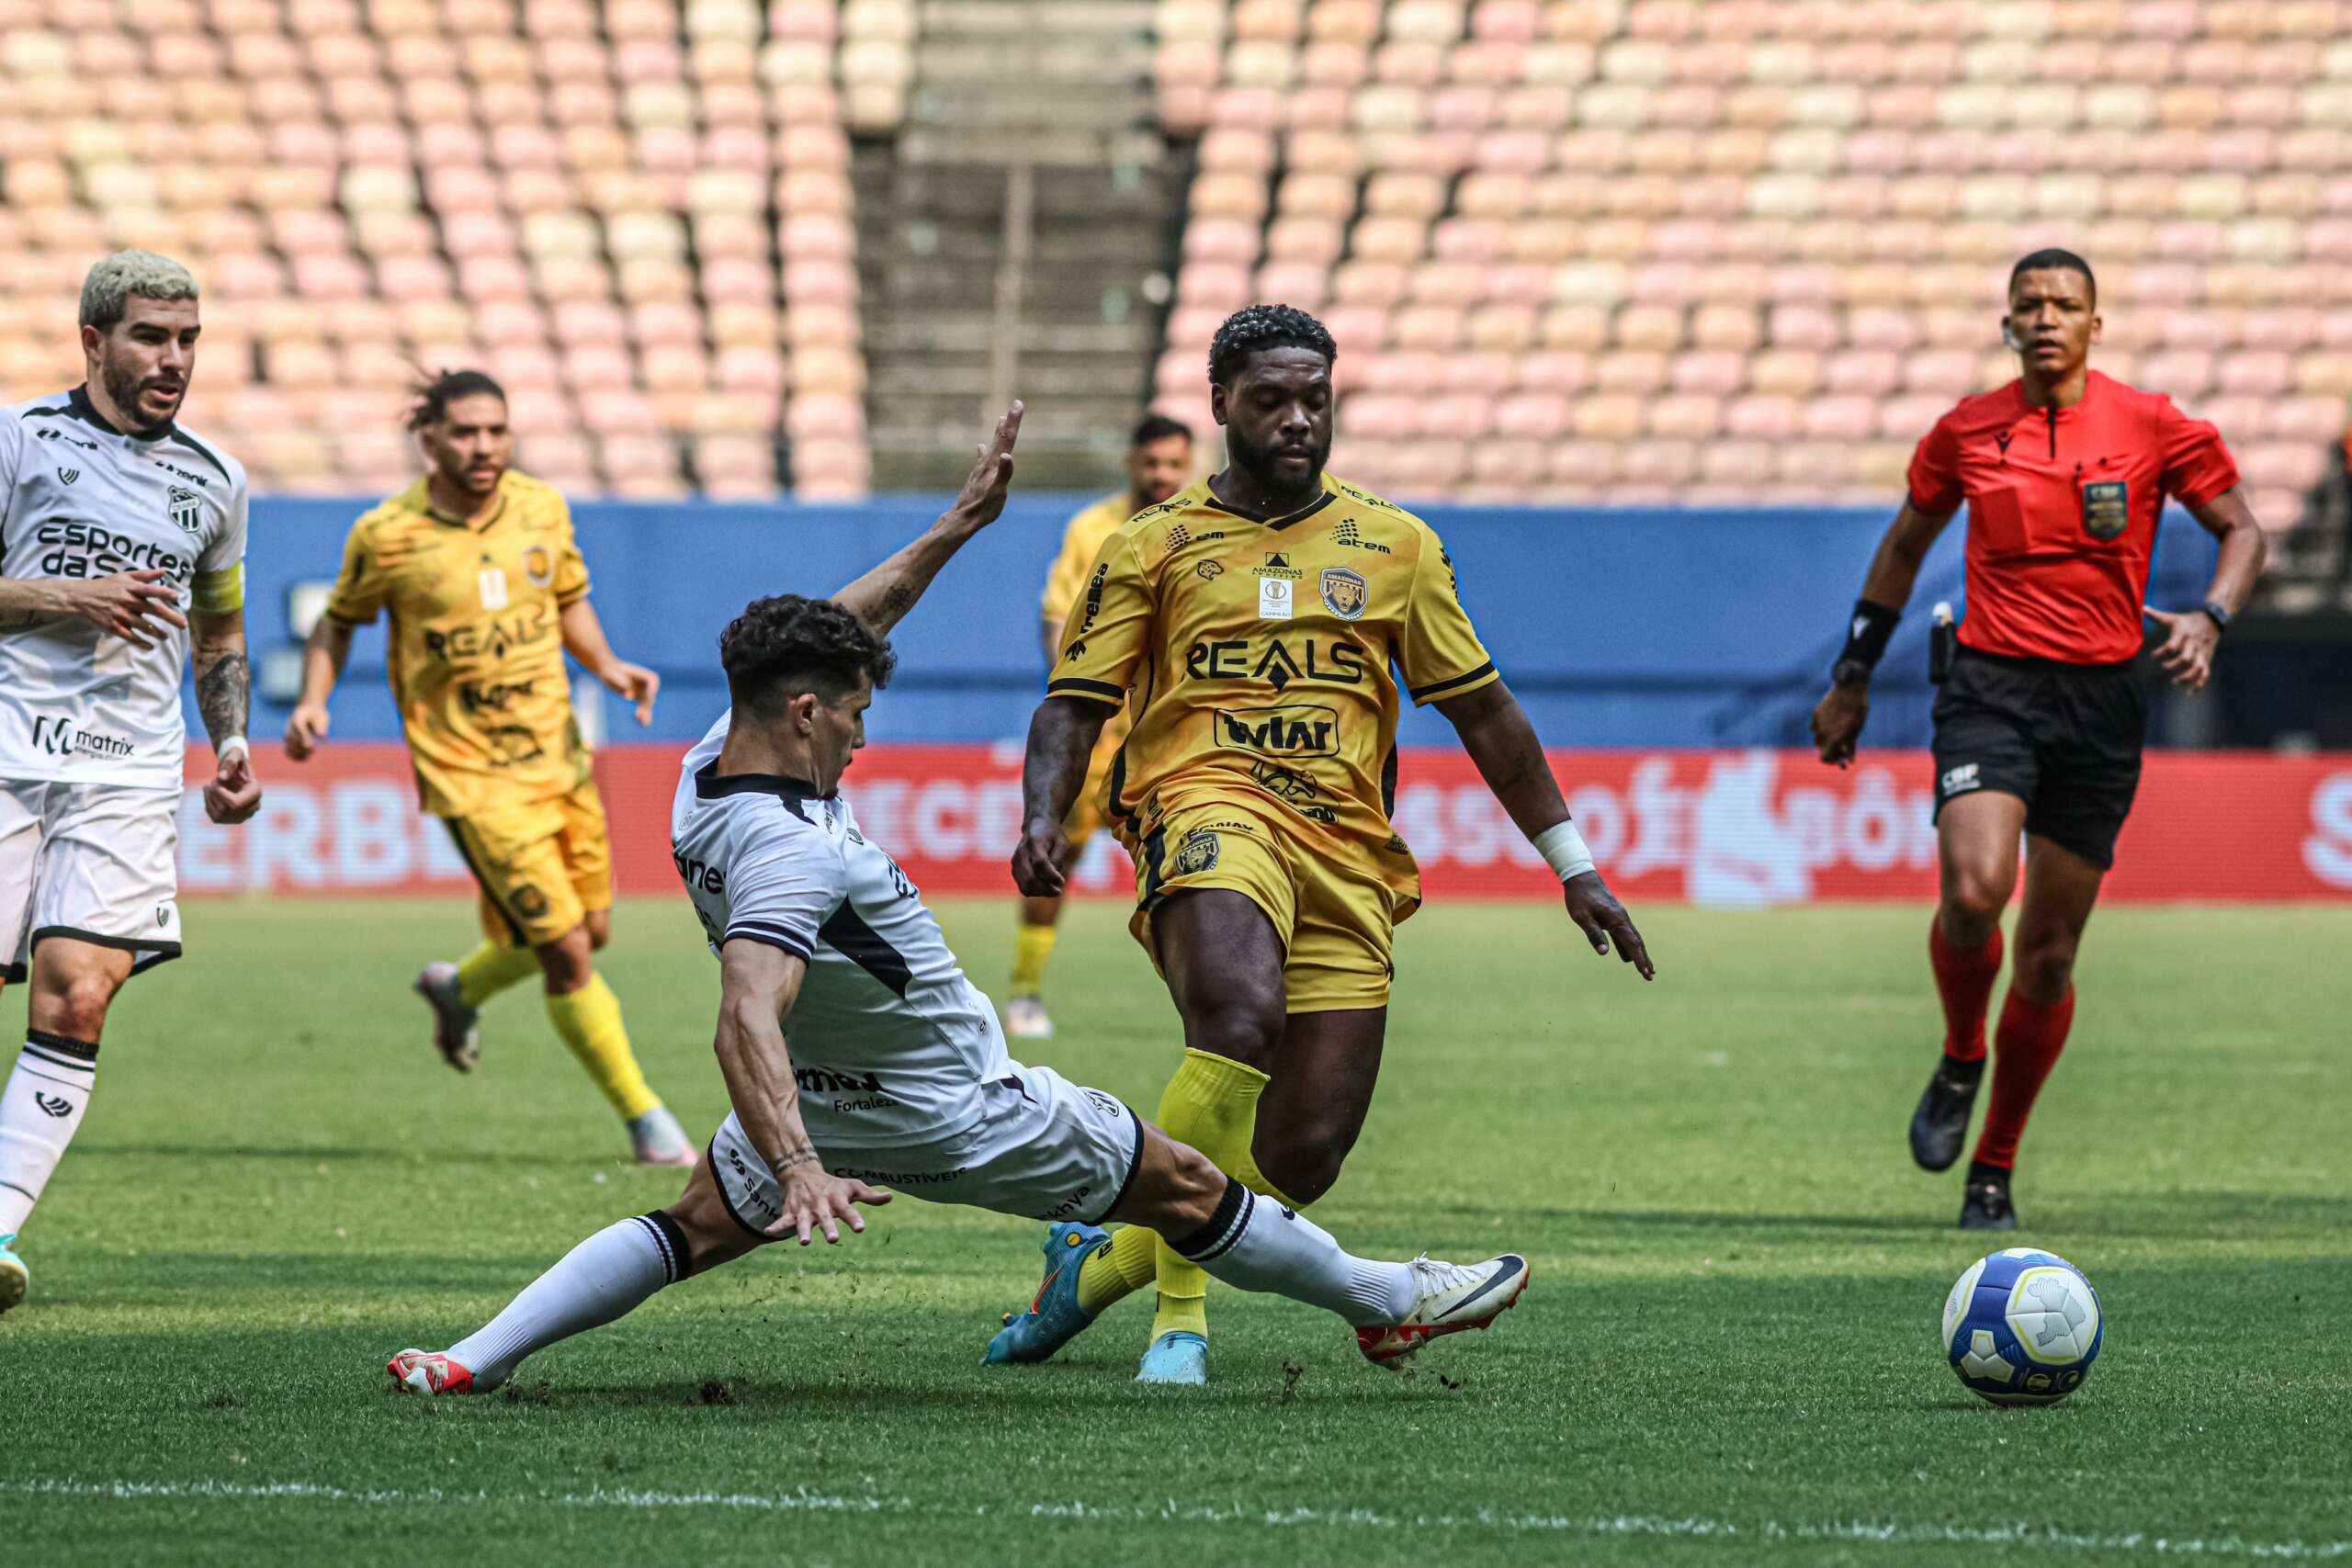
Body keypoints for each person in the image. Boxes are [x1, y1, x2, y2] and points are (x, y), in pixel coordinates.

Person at [385, 406, 1529, 1395]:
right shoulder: (790, 856)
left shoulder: (703, 769)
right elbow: (744, 1009)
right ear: (800, 714)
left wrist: (955, 527)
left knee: (684, 1229)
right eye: (850, 714)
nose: (863, 729)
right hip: (959, 1108)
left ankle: (471, 1357)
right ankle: (1385, 1296)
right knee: (1187, 1186)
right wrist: (795, 1172)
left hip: (831, 1104)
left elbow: (837, 630)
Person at [989, 304, 1651, 1386]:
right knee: (1237, 1019)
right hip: (1201, 807)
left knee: (1301, 1157)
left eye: (1315, 399)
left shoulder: (1396, 544)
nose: (1297, 420)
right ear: (1220, 407)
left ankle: (1097, 1264)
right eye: (1271, 399)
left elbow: (1487, 714)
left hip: (1346, 850)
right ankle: (1179, 1324)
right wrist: (1038, 817)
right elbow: (1073, 701)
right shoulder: (1149, 545)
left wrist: (1573, 867)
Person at [1810, 249, 2267, 1231]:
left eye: (2066, 304)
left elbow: (2243, 532)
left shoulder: (2152, 424)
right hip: (1989, 687)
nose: (2047, 316)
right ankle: (1961, 1049)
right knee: (1975, 893)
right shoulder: (1966, 431)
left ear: (2094, 326)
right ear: (2006, 323)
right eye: (2030, 304)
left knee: (2050, 955)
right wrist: (1851, 675)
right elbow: (1902, 546)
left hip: (2101, 706)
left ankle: (1994, 1167)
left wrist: (2210, 617)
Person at [283, 370, 692, 1166]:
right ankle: (648, 1121)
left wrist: (608, 666)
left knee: (591, 932)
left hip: (559, 757)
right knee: (567, 952)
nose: (483, 447)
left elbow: (566, 596)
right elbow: (338, 624)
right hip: (470, 776)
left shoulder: (542, 507)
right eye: (466, 432)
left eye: (496, 431)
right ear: (429, 437)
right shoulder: (388, 534)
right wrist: (313, 701)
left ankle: (458, 989)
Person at [0, 251, 263, 1312]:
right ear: (95, 341)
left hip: (129, 773)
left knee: (80, 993)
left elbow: (222, 634)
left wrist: (233, 741)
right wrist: (68, 598)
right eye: (153, 336)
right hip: (7, 750)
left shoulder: (217, 480)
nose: (174, 359)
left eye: (189, 338)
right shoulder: (20, 441)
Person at [1001, 413, 1194, 1040]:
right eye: (1152, 463)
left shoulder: (1205, 526)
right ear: (1131, 462)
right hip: (1101, 729)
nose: (1162, 475)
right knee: (1055, 852)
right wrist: (1079, 701)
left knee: (1196, 863)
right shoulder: (1092, 529)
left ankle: (1205, 995)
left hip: (1173, 732)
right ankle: (1026, 991)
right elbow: (1057, 618)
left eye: (1173, 464)